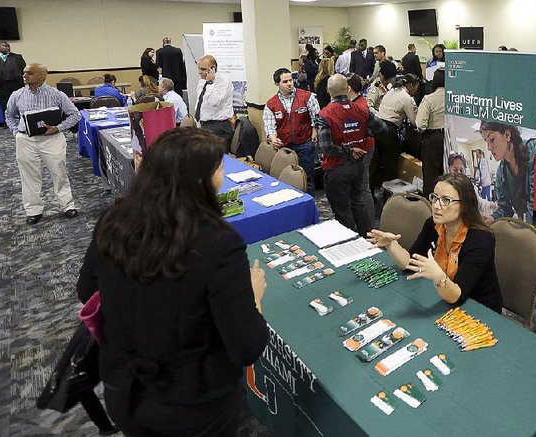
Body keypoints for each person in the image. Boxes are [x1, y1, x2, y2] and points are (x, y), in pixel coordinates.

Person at [76, 128, 268, 436]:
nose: (223, 175)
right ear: (198, 182)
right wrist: (254, 300)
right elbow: (247, 347)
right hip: (193, 405)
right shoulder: (218, 243)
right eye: (219, 168)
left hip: (124, 389)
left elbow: (86, 291)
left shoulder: (114, 219)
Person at [368, 172, 503, 312]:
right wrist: (391, 244)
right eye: (434, 198)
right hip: (445, 296)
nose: (437, 206)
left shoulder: (481, 239)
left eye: (446, 200)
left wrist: (438, 276)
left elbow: (456, 295)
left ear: (464, 205)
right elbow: (410, 263)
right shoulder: (433, 225)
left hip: (478, 309)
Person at [4, 63, 81, 224]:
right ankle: (33, 210)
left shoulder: (57, 94)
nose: (24, 76)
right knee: (29, 177)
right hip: (26, 140)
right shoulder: (17, 95)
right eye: (24, 73)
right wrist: (16, 133)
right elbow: (9, 115)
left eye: (29, 73)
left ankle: (67, 205)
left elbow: (75, 115)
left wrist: (58, 128)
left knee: (59, 173)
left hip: (52, 140)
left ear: (42, 76)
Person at [316, 74, 387, 236]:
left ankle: (349, 242)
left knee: (342, 211)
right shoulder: (361, 110)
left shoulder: (325, 115)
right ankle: (367, 238)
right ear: (347, 89)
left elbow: (325, 147)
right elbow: (383, 129)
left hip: (336, 169)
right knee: (358, 202)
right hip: (358, 166)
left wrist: (348, 150)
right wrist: (363, 135)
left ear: (328, 91)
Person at [263, 67, 320, 195]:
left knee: (306, 178)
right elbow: (269, 126)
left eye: (290, 80)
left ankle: (309, 205)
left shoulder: (307, 97)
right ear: (277, 84)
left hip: (305, 144)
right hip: (285, 148)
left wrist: (314, 132)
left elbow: (317, 117)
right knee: (285, 180)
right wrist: (273, 139)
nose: (289, 84)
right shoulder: (271, 104)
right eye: (285, 82)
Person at [480, 121, 536, 224]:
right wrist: (492, 218)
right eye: (486, 141)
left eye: (492, 139)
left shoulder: (534, 152)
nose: (488, 147)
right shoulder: (501, 172)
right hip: (526, 227)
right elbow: (504, 209)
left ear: (507, 135)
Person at [372, 72, 420, 191]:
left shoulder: (392, 91)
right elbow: (415, 121)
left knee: (376, 162)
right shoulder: (406, 98)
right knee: (391, 163)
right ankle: (389, 193)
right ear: (411, 85)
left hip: (378, 127)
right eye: (416, 87)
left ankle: (372, 189)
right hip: (389, 130)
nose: (417, 90)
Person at [348, 73, 376, 224]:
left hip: (363, 149)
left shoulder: (358, 106)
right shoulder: (357, 102)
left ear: (349, 88)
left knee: (363, 186)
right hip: (362, 147)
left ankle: (369, 223)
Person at [194, 55, 234, 149]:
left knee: (214, 160)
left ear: (212, 69)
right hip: (204, 125)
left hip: (219, 126)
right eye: (199, 68)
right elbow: (200, 102)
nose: (200, 72)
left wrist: (210, 83)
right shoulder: (202, 81)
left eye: (203, 69)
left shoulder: (224, 82)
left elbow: (214, 101)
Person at [416, 69, 445, 197]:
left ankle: (430, 207)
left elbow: (420, 124)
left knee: (430, 176)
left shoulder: (429, 99)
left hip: (432, 139)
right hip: (449, 138)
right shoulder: (455, 98)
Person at [448, 152, 496, 218]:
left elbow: (478, 202)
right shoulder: (446, 189)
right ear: (449, 170)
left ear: (465, 171)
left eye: (461, 170)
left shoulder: (470, 186)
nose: (459, 173)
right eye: (455, 170)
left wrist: (491, 204)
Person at [0, 41, 27, 111]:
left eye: (8, 46)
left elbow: (24, 70)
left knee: (19, 104)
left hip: (16, 85)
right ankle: (7, 121)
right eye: (4, 46)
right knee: (4, 105)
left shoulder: (17, 57)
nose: (6, 47)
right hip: (0, 86)